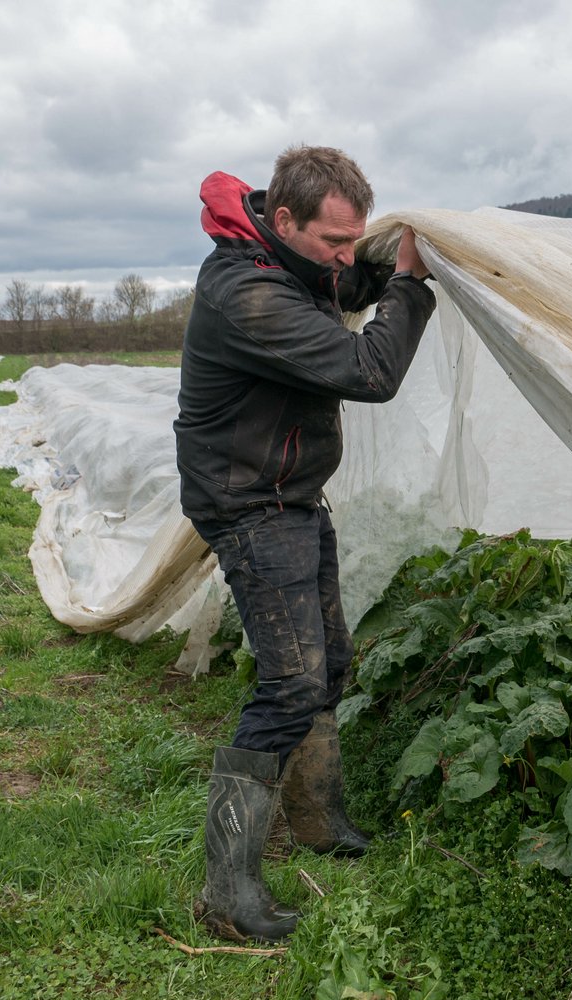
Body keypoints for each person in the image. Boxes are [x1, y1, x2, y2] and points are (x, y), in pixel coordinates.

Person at [174, 146, 436, 943]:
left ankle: (318, 820)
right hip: (251, 505)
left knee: (330, 663)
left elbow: (348, 283)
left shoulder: (291, 262)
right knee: (291, 685)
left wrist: (382, 262)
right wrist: (413, 286)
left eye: (353, 241)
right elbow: (371, 368)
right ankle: (228, 894)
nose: (344, 259)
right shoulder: (246, 292)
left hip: (290, 494)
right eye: (333, 242)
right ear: (283, 221)